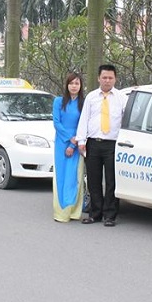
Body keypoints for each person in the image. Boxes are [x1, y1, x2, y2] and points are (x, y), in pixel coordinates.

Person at [76, 64, 127, 227]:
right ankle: (95, 213)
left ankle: (110, 215)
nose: (107, 80)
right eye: (104, 77)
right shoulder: (91, 97)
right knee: (93, 179)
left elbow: (126, 120)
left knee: (112, 180)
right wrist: (81, 141)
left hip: (113, 144)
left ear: (115, 79)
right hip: (93, 143)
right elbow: (84, 119)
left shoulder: (121, 98)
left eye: (110, 78)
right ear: (98, 78)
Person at [52, 73, 85, 222]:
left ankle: (74, 211)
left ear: (80, 86)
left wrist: (74, 143)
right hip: (61, 142)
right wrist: (68, 139)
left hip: (77, 143)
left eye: (77, 83)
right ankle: (61, 213)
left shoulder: (83, 103)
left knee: (75, 176)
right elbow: (56, 123)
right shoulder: (58, 101)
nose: (74, 86)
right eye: (71, 83)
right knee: (61, 176)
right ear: (66, 85)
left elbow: (83, 125)